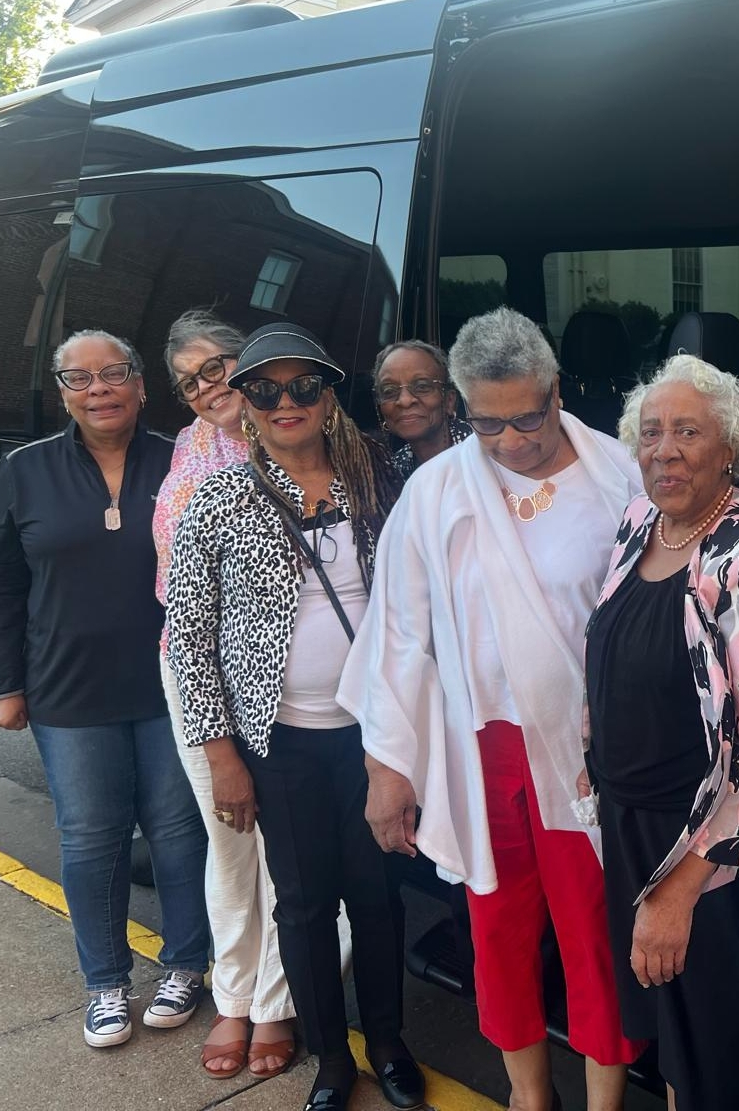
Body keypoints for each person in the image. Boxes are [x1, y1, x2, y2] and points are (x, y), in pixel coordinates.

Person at [338, 307, 645, 1111]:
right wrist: (387, 767)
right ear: (461, 409)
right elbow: (398, 635)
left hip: (593, 754)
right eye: (486, 423)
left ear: (555, 390)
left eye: (527, 418)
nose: (510, 441)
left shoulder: (621, 474)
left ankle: (604, 1102)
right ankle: (528, 1096)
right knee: (499, 934)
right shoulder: (436, 491)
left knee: (595, 937)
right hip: (486, 752)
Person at [167, 323, 421, 1111]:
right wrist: (221, 755)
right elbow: (190, 636)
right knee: (304, 902)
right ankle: (331, 1059)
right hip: (276, 743)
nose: (286, 402)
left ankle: (385, 1039)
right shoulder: (217, 497)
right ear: (242, 401)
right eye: (265, 389)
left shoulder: (378, 478)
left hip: (375, 737)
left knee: (378, 896)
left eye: (303, 386)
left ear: (327, 393)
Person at [581, 354, 739, 1109]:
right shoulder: (637, 523)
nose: (665, 449)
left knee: (707, 1059)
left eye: (688, 431)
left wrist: (680, 889)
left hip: (710, 854)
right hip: (632, 826)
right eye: (651, 432)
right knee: (669, 1045)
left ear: (728, 449)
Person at [0, 330, 209, 1048]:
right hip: (66, 689)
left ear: (142, 385)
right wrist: (2, 685)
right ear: (61, 393)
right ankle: (107, 982)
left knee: (180, 833)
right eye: (79, 379)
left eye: (114, 373)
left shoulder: (184, 459)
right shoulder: (24, 471)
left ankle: (184, 964)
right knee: (90, 838)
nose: (99, 389)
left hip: (170, 683)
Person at [154, 309, 326, 1080]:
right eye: (190, 378)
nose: (209, 386)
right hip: (194, 667)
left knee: (291, 854)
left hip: (290, 681)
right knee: (230, 840)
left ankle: (275, 1001)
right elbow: (182, 604)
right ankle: (233, 994)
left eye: (218, 365)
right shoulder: (190, 456)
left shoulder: (304, 440)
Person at [373, 339, 470, 477]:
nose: (405, 401)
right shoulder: (395, 472)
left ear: (449, 401)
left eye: (422, 387)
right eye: (389, 391)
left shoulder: (486, 453)